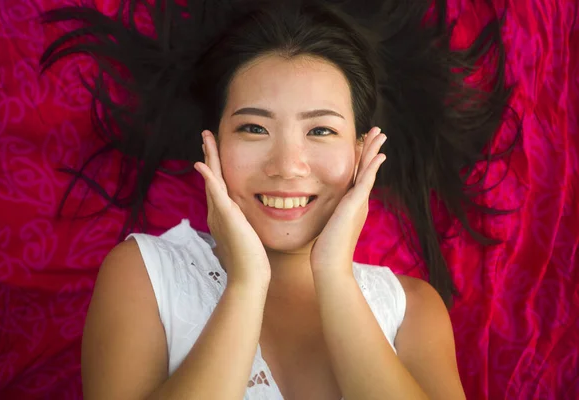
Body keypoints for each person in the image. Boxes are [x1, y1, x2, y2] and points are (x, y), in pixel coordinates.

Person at [40, 0, 518, 398]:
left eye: (321, 130)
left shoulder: (413, 309)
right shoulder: (144, 275)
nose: (288, 165)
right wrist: (245, 286)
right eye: (253, 128)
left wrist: (333, 273)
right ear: (213, 144)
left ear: (362, 151)